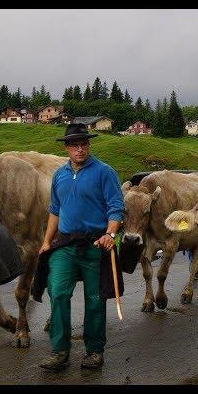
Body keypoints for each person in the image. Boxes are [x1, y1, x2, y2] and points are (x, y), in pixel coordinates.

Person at [36, 123, 124, 371]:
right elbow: (55, 210)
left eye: (84, 143)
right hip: (65, 244)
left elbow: (115, 206)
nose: (80, 149)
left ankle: (95, 350)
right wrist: (46, 242)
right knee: (58, 291)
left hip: (96, 243)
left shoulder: (104, 172)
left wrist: (110, 233)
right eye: (75, 144)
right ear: (67, 148)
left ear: (89, 145)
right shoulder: (59, 175)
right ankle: (60, 350)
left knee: (95, 298)